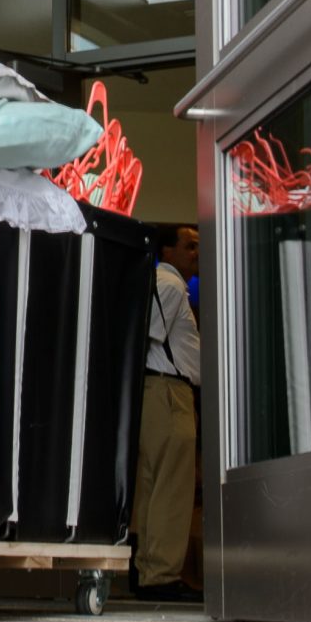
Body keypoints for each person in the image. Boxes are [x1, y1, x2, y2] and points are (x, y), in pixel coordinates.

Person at [129, 223, 205, 602]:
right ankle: (161, 574)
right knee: (173, 486)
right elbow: (149, 332)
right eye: (189, 246)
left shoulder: (163, 283)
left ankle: (148, 569)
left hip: (155, 391)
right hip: (169, 391)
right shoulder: (171, 285)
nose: (196, 252)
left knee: (153, 485)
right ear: (168, 251)